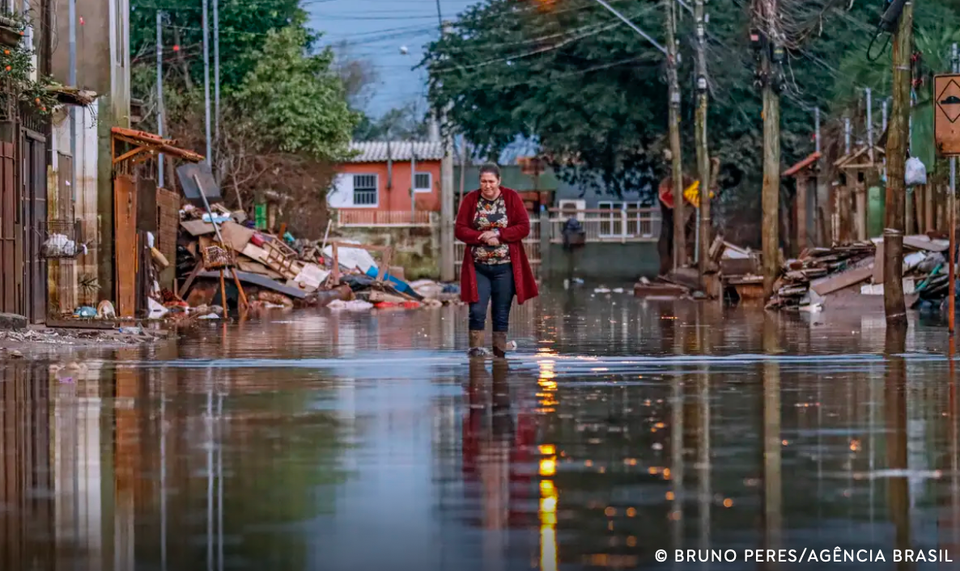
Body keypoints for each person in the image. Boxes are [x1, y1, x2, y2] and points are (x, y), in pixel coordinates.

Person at [456, 163, 539, 357]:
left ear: (499, 181)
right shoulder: (471, 200)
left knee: (501, 313)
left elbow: (523, 227)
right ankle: (475, 350)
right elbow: (460, 228)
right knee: (477, 310)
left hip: (505, 267)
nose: (487, 185)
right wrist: (481, 236)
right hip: (478, 267)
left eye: (491, 181)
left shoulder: (511, 197)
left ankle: (499, 351)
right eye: (483, 181)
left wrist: (498, 234)